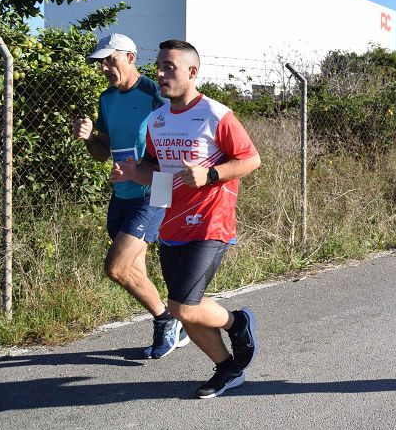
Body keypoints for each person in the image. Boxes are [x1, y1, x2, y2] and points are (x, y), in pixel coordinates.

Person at [112, 40, 261, 399]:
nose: (160, 74)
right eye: (159, 66)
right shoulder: (158, 120)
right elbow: (158, 171)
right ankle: (228, 366)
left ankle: (236, 322)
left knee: (181, 306)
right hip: (172, 224)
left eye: (170, 67)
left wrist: (210, 175)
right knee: (186, 307)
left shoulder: (215, 114)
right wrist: (134, 172)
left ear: (192, 72)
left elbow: (251, 159)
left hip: (211, 223)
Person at [71, 33, 188, 359]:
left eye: (112, 60)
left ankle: (167, 321)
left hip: (154, 189)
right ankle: (172, 320)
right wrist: (88, 136)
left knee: (116, 267)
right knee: (133, 269)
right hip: (121, 192)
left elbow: (173, 140)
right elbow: (101, 153)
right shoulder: (107, 99)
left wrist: (144, 169)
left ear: (131, 58)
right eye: (102, 62)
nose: (106, 67)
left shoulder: (155, 94)